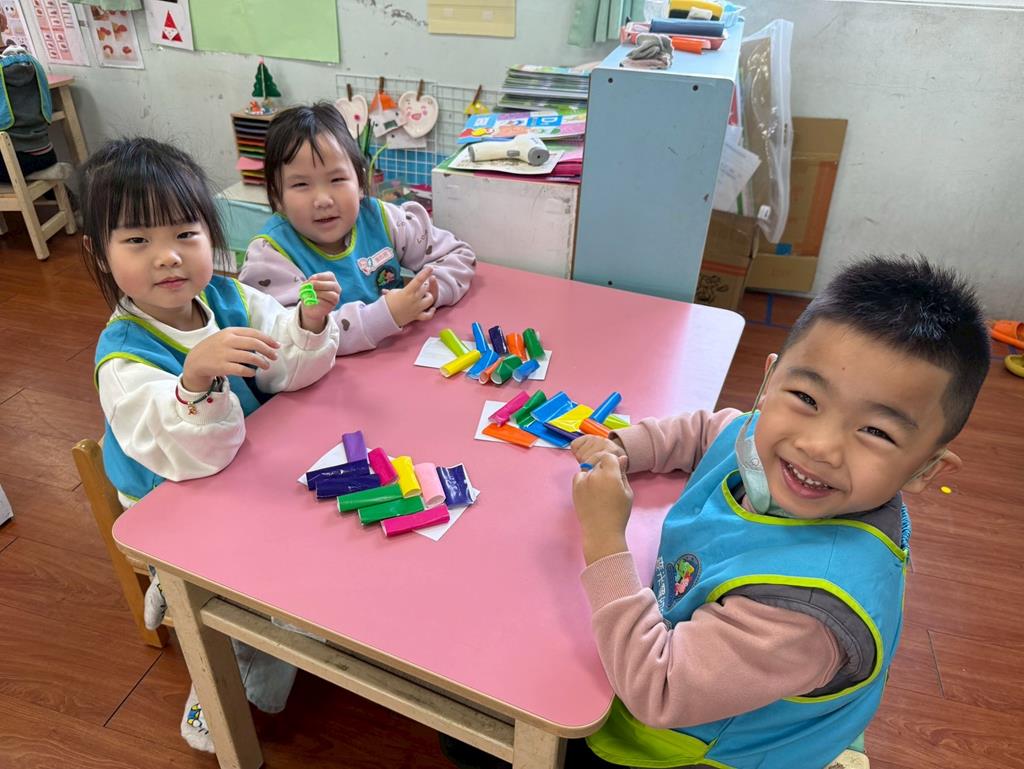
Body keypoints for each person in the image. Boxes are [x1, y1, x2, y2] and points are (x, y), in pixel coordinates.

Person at [566, 255, 990, 768]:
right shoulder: (764, 436)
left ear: (925, 468)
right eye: (807, 397)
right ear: (769, 384)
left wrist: (604, 538)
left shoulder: (804, 612)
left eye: (876, 431)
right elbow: (711, 430)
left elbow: (658, 689)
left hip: (691, 749)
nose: (819, 446)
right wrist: (623, 447)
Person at [82, 137, 341, 753]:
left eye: (185, 233)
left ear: (211, 235)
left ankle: (233, 609)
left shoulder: (230, 297)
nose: (168, 256)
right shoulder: (123, 357)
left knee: (323, 532)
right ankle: (221, 672)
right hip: (171, 499)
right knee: (275, 590)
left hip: (240, 471)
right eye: (138, 240)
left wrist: (305, 326)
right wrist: (195, 379)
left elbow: (282, 368)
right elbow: (195, 454)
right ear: (100, 254)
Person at [239, 102, 476, 354]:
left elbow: (459, 255)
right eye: (301, 185)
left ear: (360, 183)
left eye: (337, 179)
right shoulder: (270, 257)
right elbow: (289, 339)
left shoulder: (381, 218)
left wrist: (432, 290)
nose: (323, 200)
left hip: (401, 359)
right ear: (276, 196)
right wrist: (386, 315)